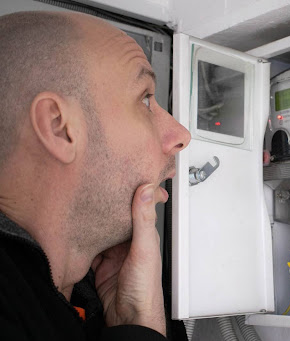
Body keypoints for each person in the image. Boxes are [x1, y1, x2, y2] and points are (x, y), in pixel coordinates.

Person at [0, 10, 191, 340]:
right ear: (59, 128)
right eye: (145, 99)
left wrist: (135, 319)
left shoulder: (91, 295)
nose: (180, 135)